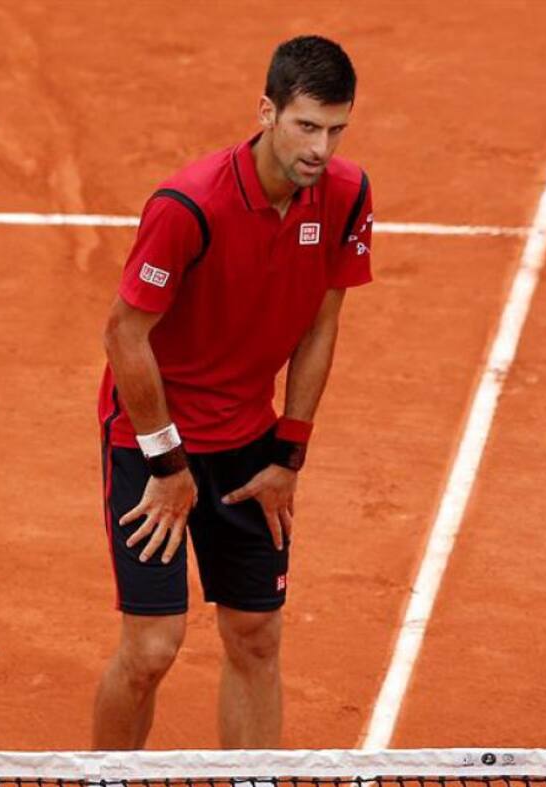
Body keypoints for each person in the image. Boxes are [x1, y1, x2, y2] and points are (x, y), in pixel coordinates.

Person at [92, 35, 373, 750]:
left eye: (336, 128)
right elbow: (126, 336)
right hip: (152, 440)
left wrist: (290, 456)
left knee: (255, 638)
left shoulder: (345, 196)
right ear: (267, 112)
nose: (322, 147)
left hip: (250, 443)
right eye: (307, 125)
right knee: (152, 651)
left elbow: (321, 327)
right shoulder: (188, 206)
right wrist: (168, 468)